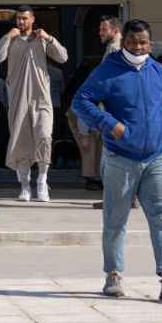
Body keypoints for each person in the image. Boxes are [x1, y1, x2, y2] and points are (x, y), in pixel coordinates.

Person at [72, 18, 162, 301]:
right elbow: (81, 101)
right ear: (122, 41)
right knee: (115, 220)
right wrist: (107, 122)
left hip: (157, 156)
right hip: (120, 158)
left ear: (151, 44)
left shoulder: (158, 70)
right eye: (132, 42)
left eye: (143, 43)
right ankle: (113, 275)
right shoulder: (107, 70)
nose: (137, 48)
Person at [0, 6, 68, 202]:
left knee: (44, 136)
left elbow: (63, 56)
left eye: (25, 19)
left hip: (41, 98)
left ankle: (42, 181)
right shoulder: (11, 40)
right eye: (19, 19)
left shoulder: (42, 40)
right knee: (21, 142)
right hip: (18, 98)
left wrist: (48, 38)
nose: (21, 22)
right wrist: (6, 37)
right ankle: (25, 185)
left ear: (32, 19)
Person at [68, 15, 122, 192]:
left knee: (101, 146)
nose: (100, 33)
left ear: (115, 31)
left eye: (103, 29)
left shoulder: (114, 50)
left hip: (109, 109)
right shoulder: (117, 48)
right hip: (112, 108)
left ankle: (103, 183)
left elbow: (106, 82)